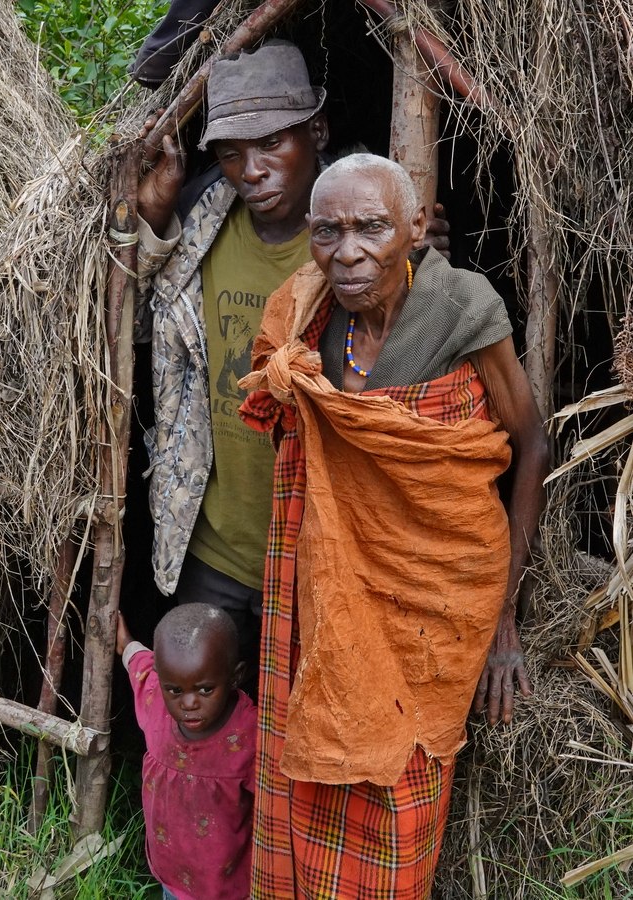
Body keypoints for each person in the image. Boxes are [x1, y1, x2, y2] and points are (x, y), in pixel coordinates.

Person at [238, 153, 549, 898]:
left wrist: (505, 615)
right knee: (304, 774)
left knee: (399, 803)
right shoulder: (304, 316)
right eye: (327, 232)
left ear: (414, 228)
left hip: (423, 624)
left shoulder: (462, 309)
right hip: (319, 610)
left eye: (371, 228)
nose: (347, 253)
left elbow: (530, 441)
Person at [135, 40, 449, 700]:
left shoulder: (366, 243)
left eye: (272, 143)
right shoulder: (199, 224)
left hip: (321, 547)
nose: (251, 170)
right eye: (230, 152)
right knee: (210, 723)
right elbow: (118, 310)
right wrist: (155, 215)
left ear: (317, 131)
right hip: (214, 544)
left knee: (304, 725)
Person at [116, 604, 256, 900]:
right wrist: (126, 643)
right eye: (175, 690)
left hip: (227, 888)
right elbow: (141, 667)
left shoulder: (251, 736)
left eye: (205, 690)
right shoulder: (156, 701)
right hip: (170, 876)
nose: (189, 703)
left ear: (235, 677)